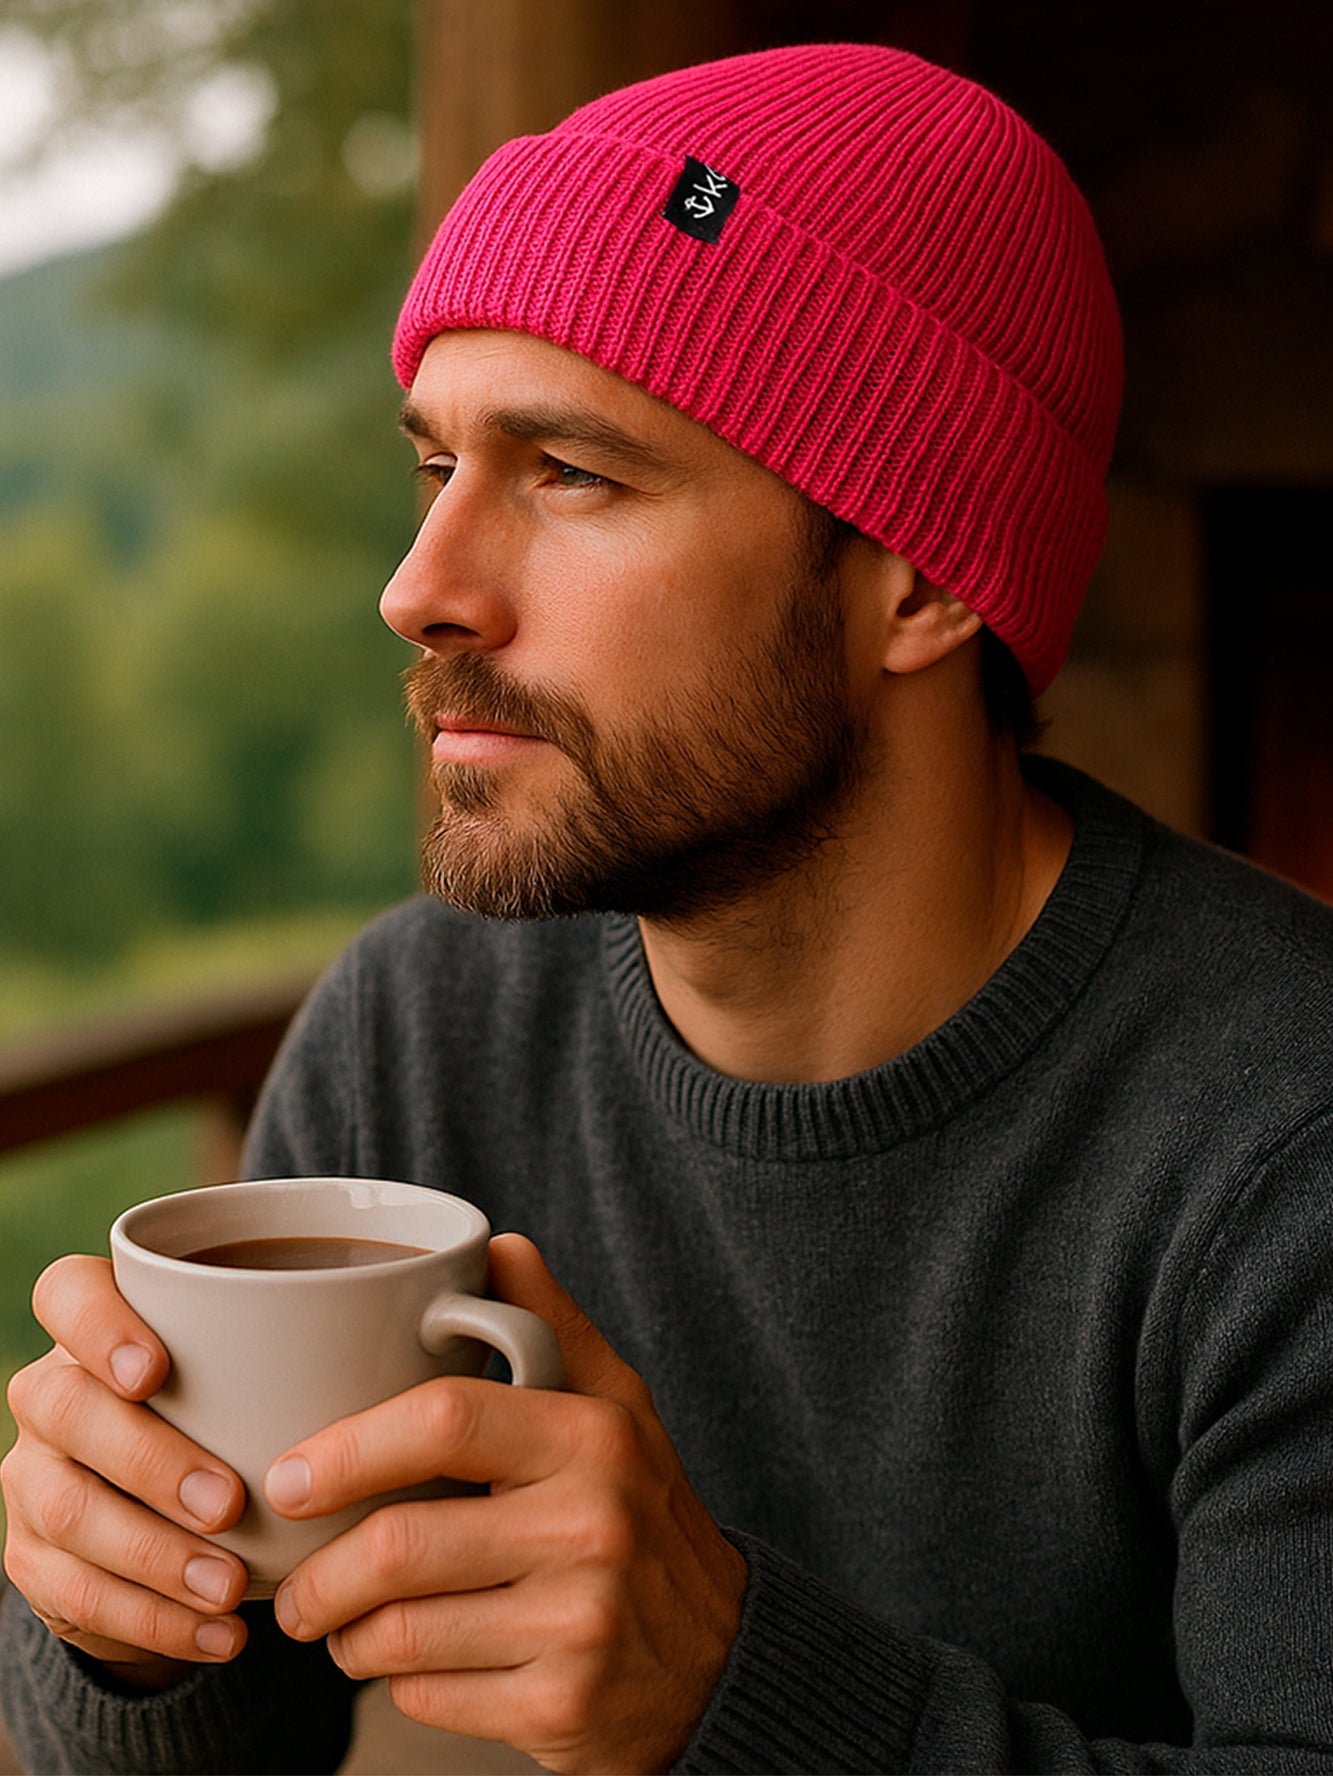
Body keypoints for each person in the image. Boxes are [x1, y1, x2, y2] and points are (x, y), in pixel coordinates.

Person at [3, 39, 1332, 1775]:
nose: (421, 588)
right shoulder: (423, 1028)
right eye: (434, 467)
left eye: (572, 473)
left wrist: (735, 1690)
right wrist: (123, 1627)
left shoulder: (1282, 1134)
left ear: (917, 577)